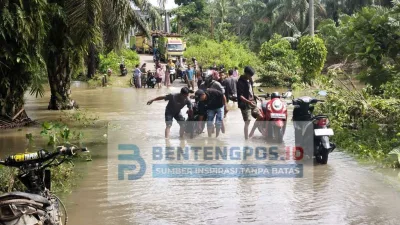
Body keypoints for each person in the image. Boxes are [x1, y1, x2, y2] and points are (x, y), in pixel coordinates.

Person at [237, 66, 259, 140]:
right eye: (250, 75)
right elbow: (240, 96)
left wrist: (255, 96)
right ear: (246, 73)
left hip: (252, 101)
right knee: (247, 122)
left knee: (261, 116)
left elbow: (250, 91)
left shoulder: (250, 80)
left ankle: (251, 132)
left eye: (252, 76)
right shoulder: (240, 82)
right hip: (245, 104)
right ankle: (246, 140)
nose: (251, 77)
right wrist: (249, 102)